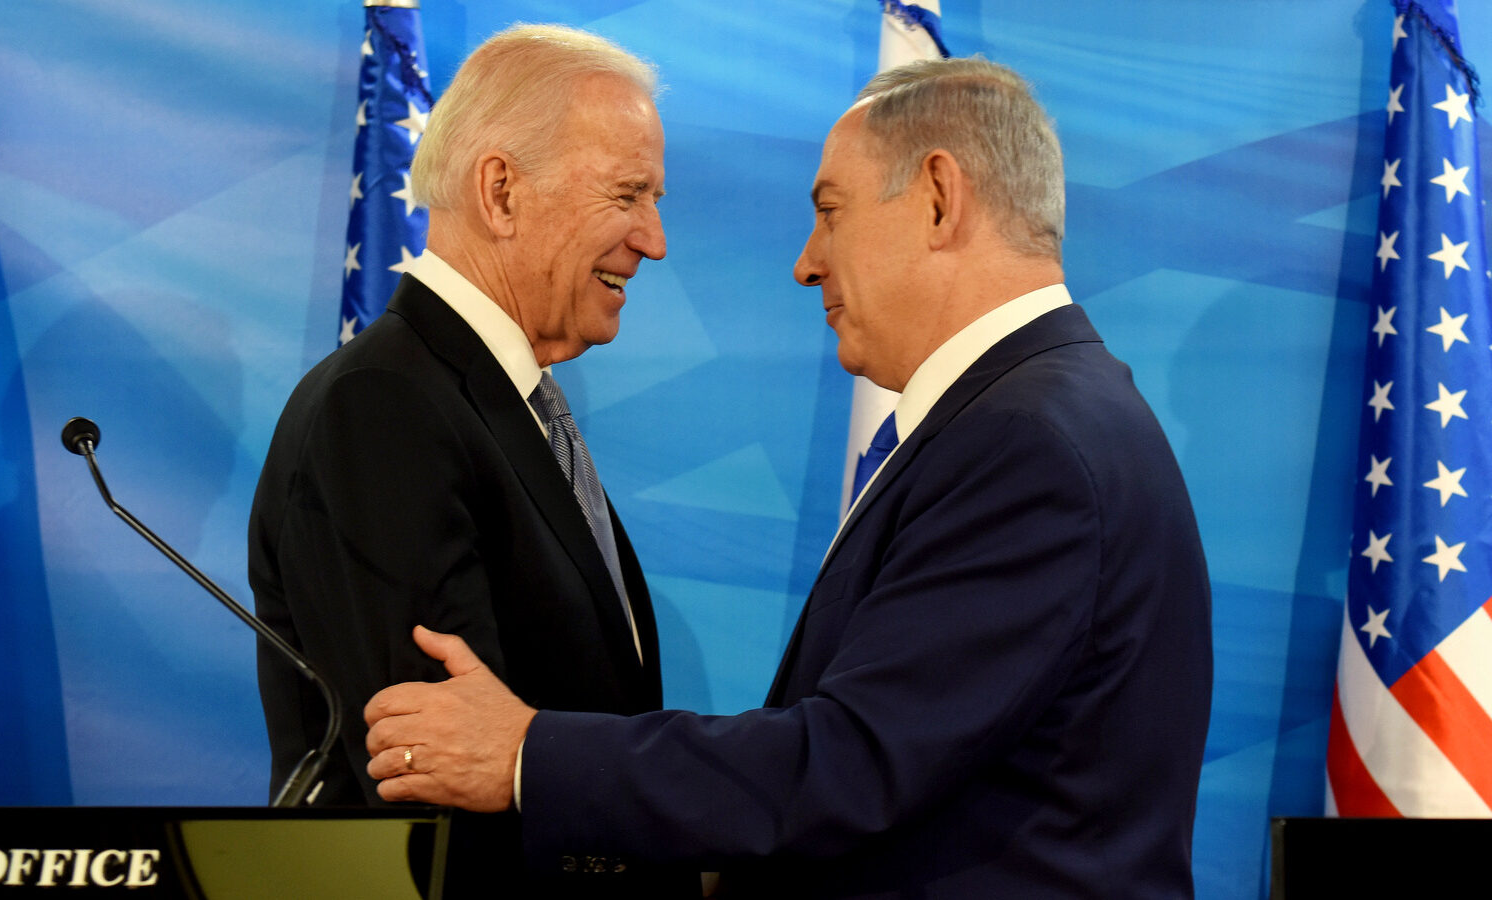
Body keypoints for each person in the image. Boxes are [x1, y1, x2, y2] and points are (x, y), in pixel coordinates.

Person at [364, 55, 1214, 899]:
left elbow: (854, 762)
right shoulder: (1040, 413)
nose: (808, 263)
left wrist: (524, 754)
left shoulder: (1027, 444)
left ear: (938, 198)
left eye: (830, 213)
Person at [249, 24, 691, 897]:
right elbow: (434, 786)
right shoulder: (385, 408)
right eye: (629, 193)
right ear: (501, 191)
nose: (655, 238)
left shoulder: (498, 403)